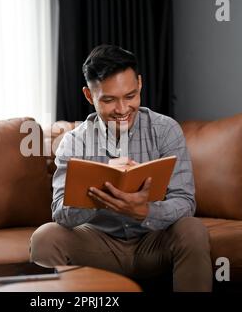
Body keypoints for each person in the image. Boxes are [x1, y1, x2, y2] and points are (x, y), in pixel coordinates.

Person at [30, 44, 213, 292]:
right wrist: (99, 189)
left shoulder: (166, 130)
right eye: (108, 100)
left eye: (130, 96)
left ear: (140, 83)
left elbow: (185, 201)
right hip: (98, 246)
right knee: (45, 237)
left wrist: (145, 211)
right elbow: (60, 214)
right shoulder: (73, 142)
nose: (122, 109)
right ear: (88, 95)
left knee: (193, 229)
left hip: (153, 241)